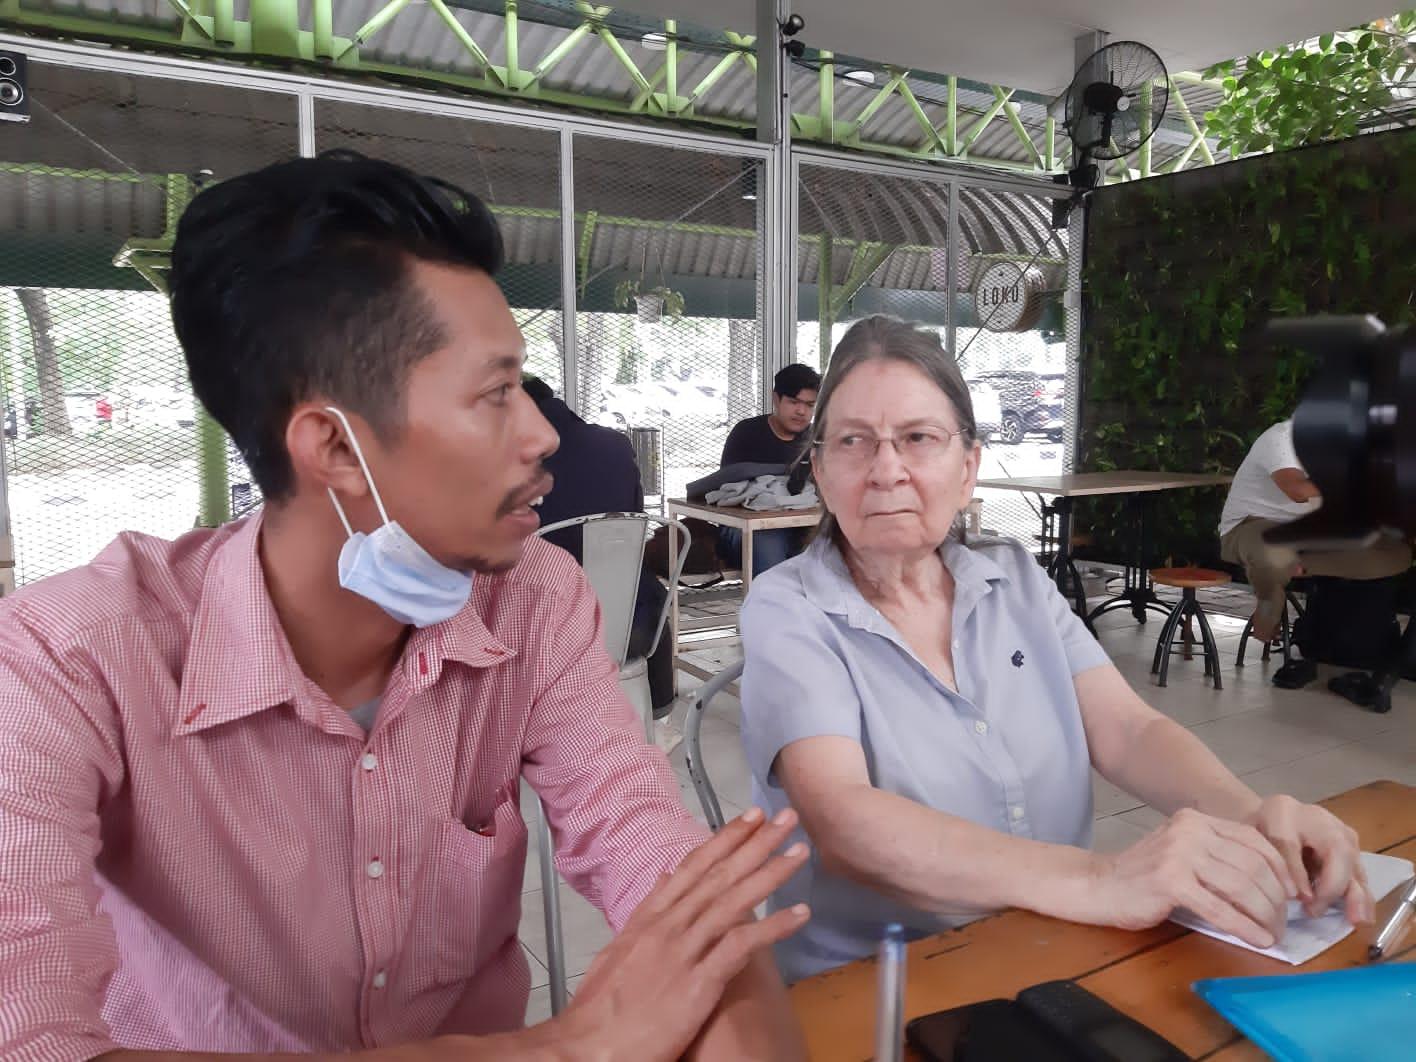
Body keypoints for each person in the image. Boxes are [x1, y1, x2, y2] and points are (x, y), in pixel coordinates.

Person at [0, 150, 810, 1060]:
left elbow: (667, 880)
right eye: (496, 394)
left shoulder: (532, 602)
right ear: (336, 451)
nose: (545, 433)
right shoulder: (64, 662)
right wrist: (563, 1049)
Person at [737, 315, 1373, 982]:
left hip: (1052, 951)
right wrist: (1103, 880)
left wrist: (1254, 818)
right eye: (854, 441)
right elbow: (844, 821)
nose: (886, 469)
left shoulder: (1010, 575)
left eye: (918, 438)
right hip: (876, 987)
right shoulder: (789, 609)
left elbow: (1127, 729)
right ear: (819, 470)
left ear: (968, 468)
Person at [521, 375, 673, 715]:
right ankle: (660, 710)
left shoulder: (518, 456)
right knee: (648, 586)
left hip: (549, 628)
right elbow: (634, 518)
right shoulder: (615, 445)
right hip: (632, 620)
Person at [1219, 417, 1411, 642]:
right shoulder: (1282, 438)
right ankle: (1267, 606)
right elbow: (1298, 491)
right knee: (1273, 551)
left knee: (1394, 551)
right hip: (1253, 525)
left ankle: (1296, 566)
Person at [717, 363, 821, 576]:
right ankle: (772, 607)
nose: (802, 411)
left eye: (810, 405)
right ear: (776, 399)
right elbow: (727, 493)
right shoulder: (747, 433)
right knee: (768, 541)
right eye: (794, 402)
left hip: (799, 527)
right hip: (745, 529)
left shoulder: (816, 440)